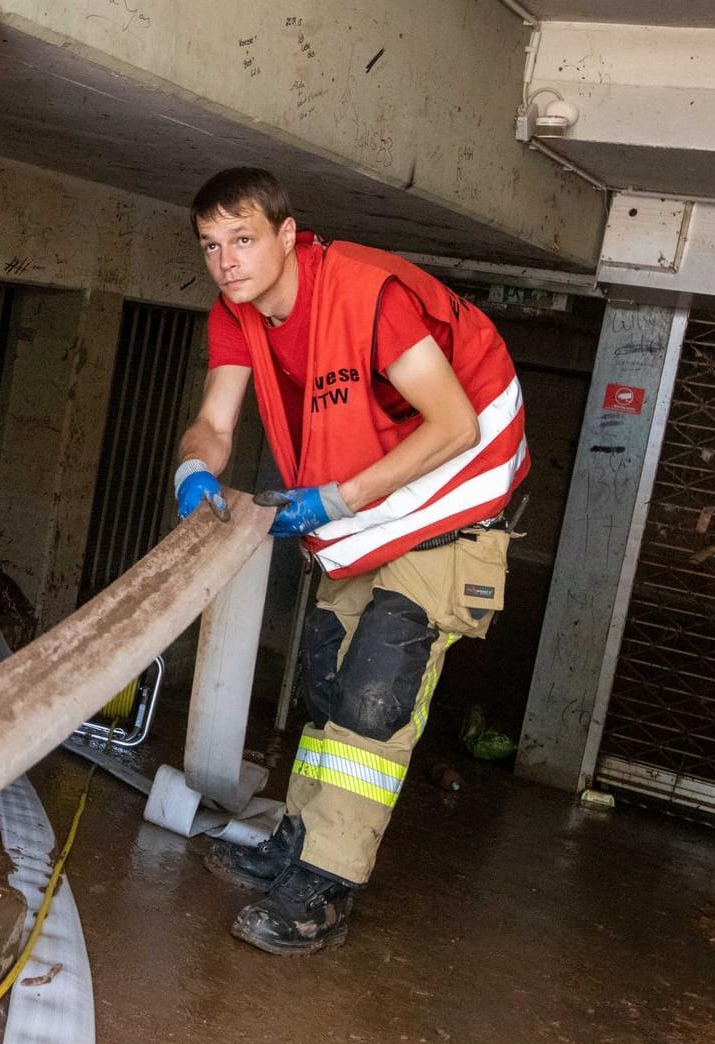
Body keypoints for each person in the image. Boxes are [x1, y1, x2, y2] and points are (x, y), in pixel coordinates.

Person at [173, 167, 528, 955]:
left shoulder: (367, 296)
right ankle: (298, 838)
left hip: (452, 492)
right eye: (210, 246)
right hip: (371, 500)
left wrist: (334, 500)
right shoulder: (235, 316)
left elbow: (454, 425)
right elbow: (212, 422)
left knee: (375, 692)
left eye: (242, 238)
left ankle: (329, 883)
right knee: (331, 679)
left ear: (287, 235)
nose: (226, 260)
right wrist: (192, 467)